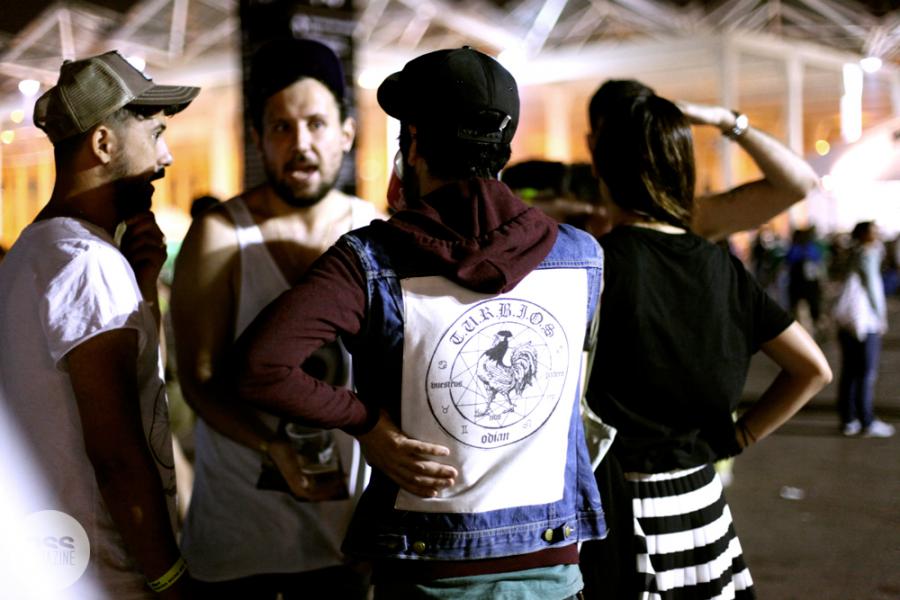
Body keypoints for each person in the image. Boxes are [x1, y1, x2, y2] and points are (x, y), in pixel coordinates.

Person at [232, 46, 607, 599]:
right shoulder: (582, 256)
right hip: (553, 569)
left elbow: (258, 366)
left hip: (426, 572)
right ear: (503, 148)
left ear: (412, 144)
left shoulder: (368, 260)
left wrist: (365, 422)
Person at [579, 80, 832, 599]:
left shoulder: (591, 261)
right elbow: (813, 369)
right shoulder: (718, 261)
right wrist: (739, 437)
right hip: (702, 499)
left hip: (622, 506)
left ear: (599, 162)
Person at [170, 37, 381, 597]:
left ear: (346, 133)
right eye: (282, 127)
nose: (300, 144)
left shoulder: (373, 231)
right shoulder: (221, 235)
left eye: (316, 124)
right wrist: (274, 448)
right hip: (243, 537)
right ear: (258, 138)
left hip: (346, 537)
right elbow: (199, 378)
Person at [0, 51, 199, 598]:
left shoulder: (31, 253)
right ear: (104, 143)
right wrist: (169, 577)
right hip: (104, 574)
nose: (166, 157)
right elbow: (117, 453)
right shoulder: (87, 262)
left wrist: (145, 287)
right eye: (155, 134)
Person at [833, 221, 895, 437]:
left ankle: (848, 419)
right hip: (864, 322)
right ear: (864, 235)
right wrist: (881, 316)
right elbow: (872, 287)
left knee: (849, 372)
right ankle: (866, 420)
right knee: (866, 373)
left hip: (846, 321)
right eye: (873, 231)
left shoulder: (850, 254)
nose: (877, 235)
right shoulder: (868, 254)